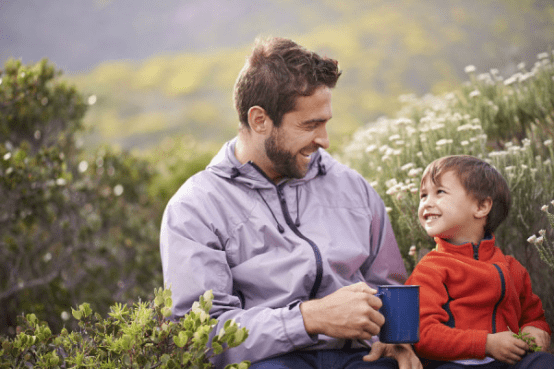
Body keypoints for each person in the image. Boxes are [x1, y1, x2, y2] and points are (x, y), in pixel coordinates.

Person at [160, 36, 421, 369]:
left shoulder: (352, 187)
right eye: (310, 125)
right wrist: (308, 319)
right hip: (268, 360)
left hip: (359, 356)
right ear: (259, 120)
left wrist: (392, 339)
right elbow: (200, 335)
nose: (324, 141)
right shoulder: (196, 208)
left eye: (326, 123)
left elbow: (388, 285)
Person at [406, 155, 554, 369]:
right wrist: (485, 344)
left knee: (544, 363)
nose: (427, 202)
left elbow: (533, 315)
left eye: (440, 192)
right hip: (455, 363)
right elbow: (424, 333)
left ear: (482, 206)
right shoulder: (430, 269)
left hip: (511, 361)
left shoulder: (511, 267)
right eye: (423, 195)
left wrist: (536, 330)